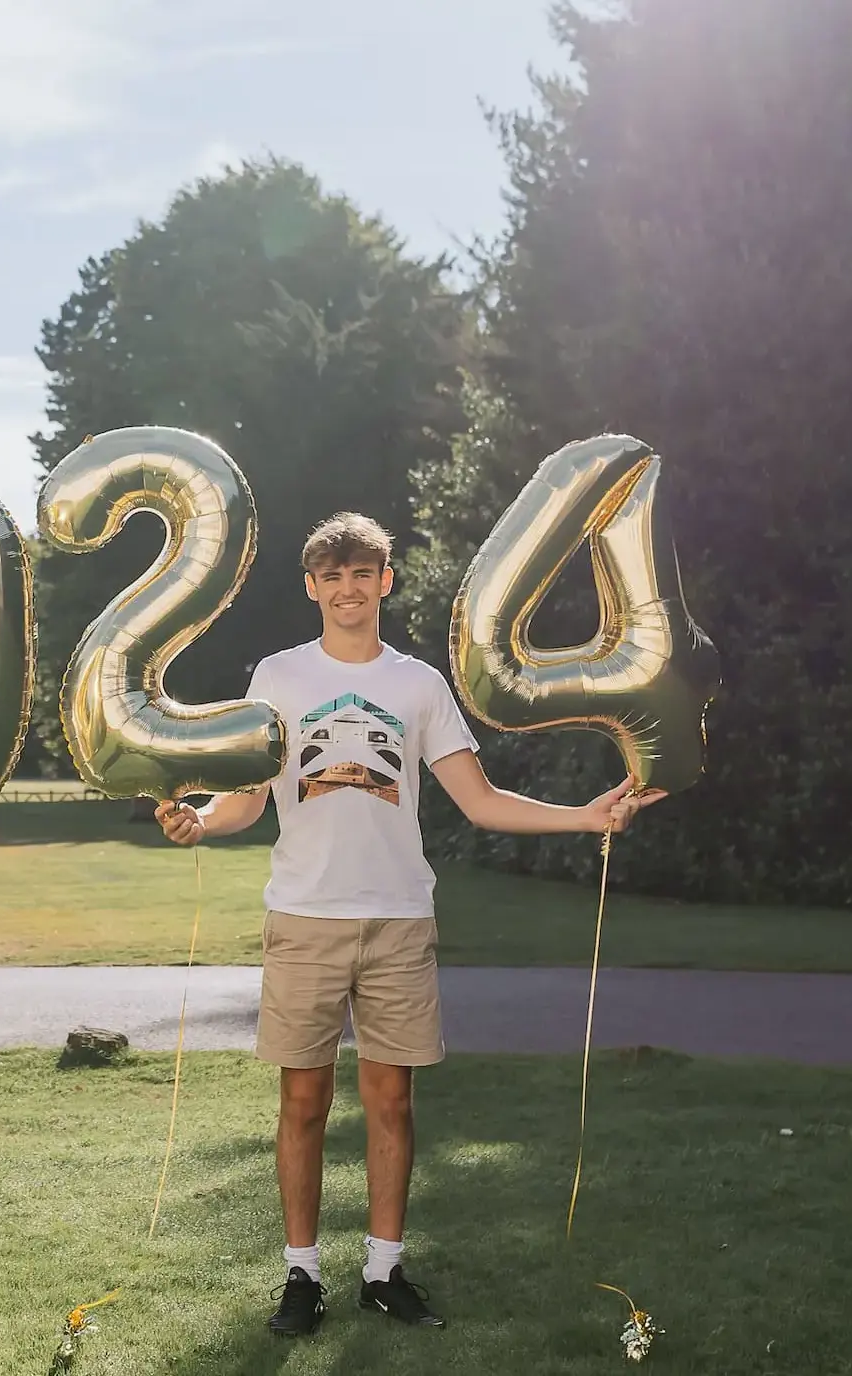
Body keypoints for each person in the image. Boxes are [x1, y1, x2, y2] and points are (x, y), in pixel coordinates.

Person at [154, 513, 659, 1336]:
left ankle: (385, 1270)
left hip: (397, 921)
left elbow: (481, 801)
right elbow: (244, 799)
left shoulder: (419, 685)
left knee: (392, 1100)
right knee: (305, 1100)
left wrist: (585, 818)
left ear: (386, 580)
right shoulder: (277, 677)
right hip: (305, 917)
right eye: (332, 576)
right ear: (312, 587)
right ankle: (301, 1277)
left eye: (363, 574)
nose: (348, 589)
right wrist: (199, 823)